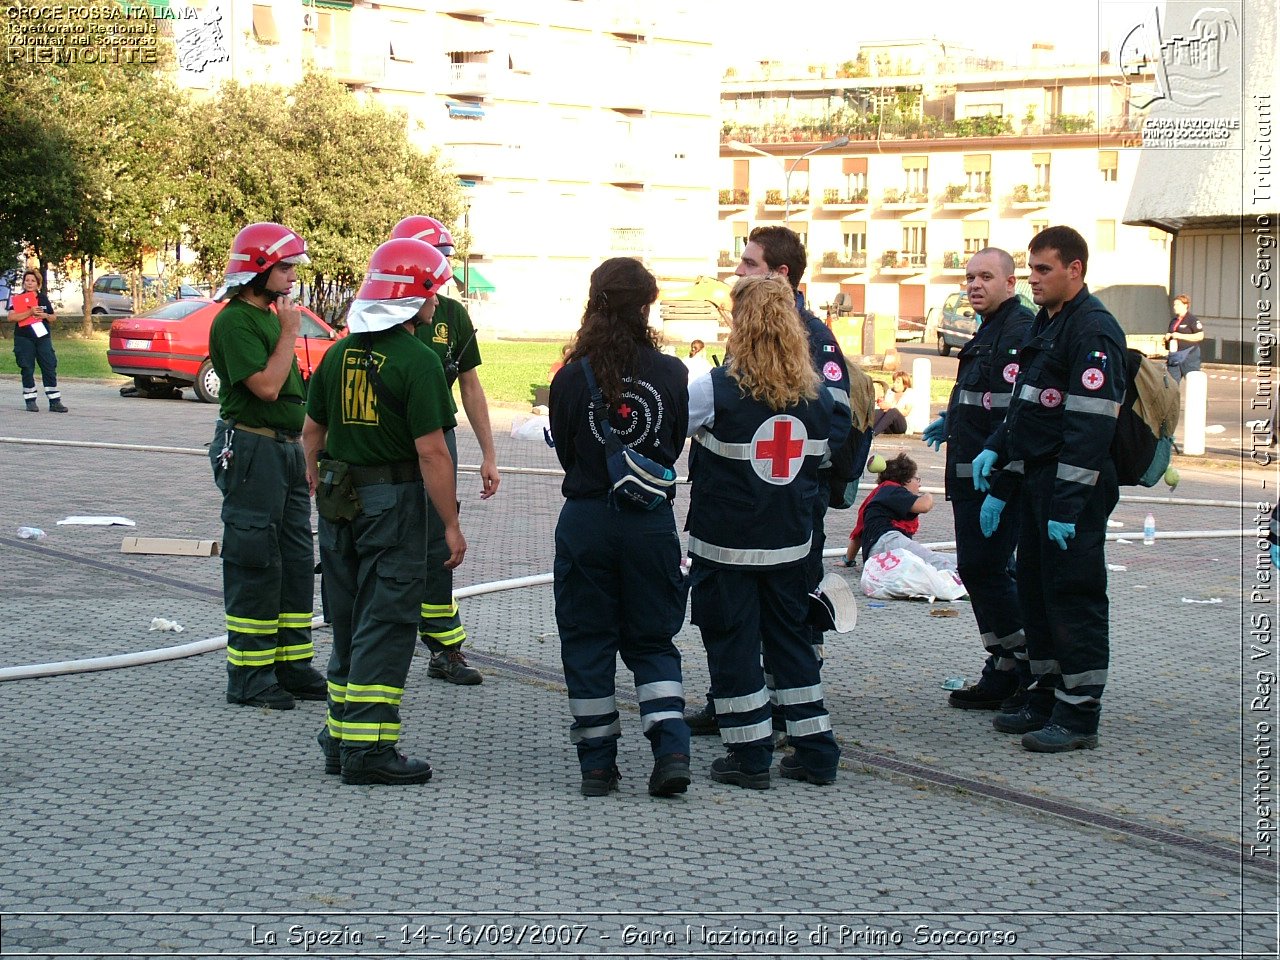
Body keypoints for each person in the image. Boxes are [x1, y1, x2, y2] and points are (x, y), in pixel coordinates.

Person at [685, 224, 858, 739]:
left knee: (751, 631)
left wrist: (794, 482)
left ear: (781, 277)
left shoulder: (812, 343)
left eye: (749, 264)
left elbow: (836, 427)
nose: (738, 272)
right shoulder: (779, 362)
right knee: (780, 632)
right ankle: (803, 740)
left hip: (749, 526)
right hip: (783, 523)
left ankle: (759, 733)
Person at [304, 237, 465, 785]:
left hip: (339, 500)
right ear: (412, 298)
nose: (438, 302)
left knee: (348, 619)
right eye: (434, 292)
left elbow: (311, 432)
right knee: (389, 620)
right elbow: (432, 450)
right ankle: (369, 750)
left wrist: (316, 480)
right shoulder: (418, 362)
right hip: (393, 504)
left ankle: (338, 736)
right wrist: (449, 524)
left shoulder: (338, 352)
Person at [973, 225, 1127, 753]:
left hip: (1073, 489)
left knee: (1074, 596)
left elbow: (1089, 428)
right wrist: (999, 448)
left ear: (1074, 270)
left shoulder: (1093, 330)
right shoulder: (1050, 321)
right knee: (1037, 591)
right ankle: (1045, 693)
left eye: (1043, 269)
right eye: (1031, 268)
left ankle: (1079, 714)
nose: (1033, 279)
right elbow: (1027, 407)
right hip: (1039, 480)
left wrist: (1067, 504)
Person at [548, 257, 692, 798]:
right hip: (649, 521)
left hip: (586, 519)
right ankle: (672, 749)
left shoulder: (568, 378)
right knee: (653, 639)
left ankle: (597, 766)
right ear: (647, 305)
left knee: (587, 640)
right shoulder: (674, 373)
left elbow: (566, 451)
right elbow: (673, 443)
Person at [208, 222, 327, 710]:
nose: (292, 274)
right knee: (255, 559)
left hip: (285, 449)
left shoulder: (271, 317)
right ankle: (250, 675)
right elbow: (267, 388)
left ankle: (290, 664)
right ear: (257, 270)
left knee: (296, 559)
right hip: (252, 450)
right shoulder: (235, 322)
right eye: (284, 266)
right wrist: (289, 333)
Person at [922, 247, 1035, 711]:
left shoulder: (1018, 330)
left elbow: (1019, 414)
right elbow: (985, 396)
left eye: (986, 276)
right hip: (971, 478)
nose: (974, 285)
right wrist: (952, 419)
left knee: (986, 570)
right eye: (969, 277)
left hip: (995, 483)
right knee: (980, 570)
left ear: (1011, 282)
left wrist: (1003, 483)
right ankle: (1004, 665)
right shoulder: (989, 328)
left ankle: (1025, 661)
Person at [390, 216, 500, 686]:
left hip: (438, 439)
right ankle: (374, 640)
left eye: (447, 259)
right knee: (386, 537)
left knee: (440, 541)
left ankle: (443, 649)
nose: (446, 269)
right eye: (437, 258)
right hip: (388, 444)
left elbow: (471, 386)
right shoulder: (379, 311)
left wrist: (488, 454)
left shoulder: (452, 315)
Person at [845, 453, 956, 572]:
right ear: (906, 479)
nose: (919, 484)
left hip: (879, 555)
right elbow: (924, 506)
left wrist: (848, 560)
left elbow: (857, 533)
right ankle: (965, 582)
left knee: (957, 560)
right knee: (937, 563)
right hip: (887, 542)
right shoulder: (892, 490)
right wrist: (928, 495)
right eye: (917, 479)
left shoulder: (880, 493)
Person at [7, 270, 68, 413]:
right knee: (27, 368)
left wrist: (45, 315)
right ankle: (30, 400)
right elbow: (11, 318)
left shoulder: (43, 298)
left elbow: (53, 318)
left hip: (42, 338)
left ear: (38, 284)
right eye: (27, 280)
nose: (29, 283)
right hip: (24, 338)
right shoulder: (19, 298)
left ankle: (54, 401)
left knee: (49, 366)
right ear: (23, 283)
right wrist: (30, 312)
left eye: (33, 281)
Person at [1164, 294, 1204, 383]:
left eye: (1177, 305)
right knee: (1171, 383)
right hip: (1174, 356)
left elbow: (1200, 336)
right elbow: (1171, 332)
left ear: (1185, 305)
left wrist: (1180, 336)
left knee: (1192, 381)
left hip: (1189, 355)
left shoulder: (1192, 320)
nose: (1175, 307)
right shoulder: (1174, 321)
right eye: (1174, 305)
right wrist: (1167, 336)